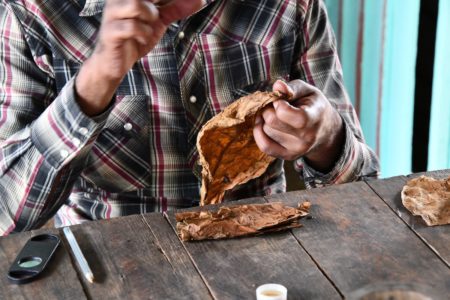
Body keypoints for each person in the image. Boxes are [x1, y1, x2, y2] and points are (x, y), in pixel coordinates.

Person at [0, 0, 379, 235]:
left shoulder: (287, 6)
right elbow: (7, 216)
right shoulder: (31, 13)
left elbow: (365, 192)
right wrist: (94, 84)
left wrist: (326, 136)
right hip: (109, 267)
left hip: (260, 257)